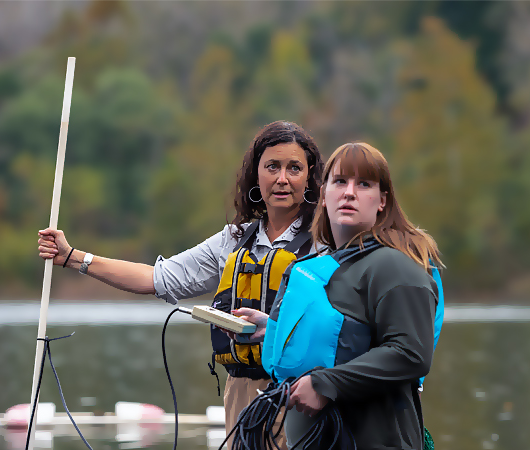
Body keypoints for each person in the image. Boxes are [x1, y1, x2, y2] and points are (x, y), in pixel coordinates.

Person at [37, 120, 324, 449]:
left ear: (309, 176)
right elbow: (155, 278)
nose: (282, 178)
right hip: (239, 392)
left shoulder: (325, 243)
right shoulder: (233, 240)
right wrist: (73, 257)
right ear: (256, 174)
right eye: (272, 166)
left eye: (294, 168)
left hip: (300, 392)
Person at [234, 142, 443, 450]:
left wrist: (324, 383)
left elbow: (410, 352)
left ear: (382, 201)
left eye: (364, 184)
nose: (349, 192)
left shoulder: (396, 266)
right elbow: (342, 335)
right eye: (340, 181)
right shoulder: (326, 265)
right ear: (324, 193)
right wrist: (275, 328)